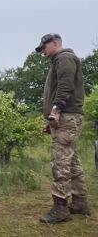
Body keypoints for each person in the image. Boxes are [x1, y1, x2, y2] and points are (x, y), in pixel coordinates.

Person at [36, 33, 90, 223]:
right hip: (67, 116)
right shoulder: (60, 60)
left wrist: (56, 110)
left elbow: (65, 86)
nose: (43, 51)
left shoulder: (64, 58)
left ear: (55, 43)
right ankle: (80, 203)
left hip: (66, 116)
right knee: (72, 159)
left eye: (44, 47)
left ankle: (60, 208)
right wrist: (49, 120)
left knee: (60, 161)